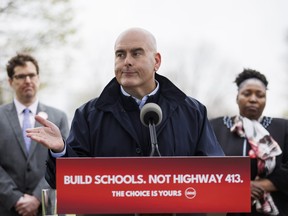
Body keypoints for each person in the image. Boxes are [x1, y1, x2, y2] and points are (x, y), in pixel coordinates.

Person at [27, 27, 224, 215]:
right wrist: (60, 151)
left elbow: (216, 177)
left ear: (156, 61)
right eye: (120, 54)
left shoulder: (192, 111)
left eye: (136, 53)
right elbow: (70, 183)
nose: (126, 61)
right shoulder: (88, 115)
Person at [210, 69, 288, 216]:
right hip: (226, 210)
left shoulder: (283, 128)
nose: (253, 99)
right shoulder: (214, 128)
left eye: (260, 95)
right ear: (237, 96)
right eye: (247, 94)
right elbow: (202, 169)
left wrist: (259, 185)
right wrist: (238, 187)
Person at [0, 53, 69, 216]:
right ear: (11, 81)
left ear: (38, 78)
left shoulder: (58, 117)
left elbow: (64, 162)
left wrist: (37, 198)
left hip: (48, 208)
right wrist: (15, 198)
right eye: (21, 76)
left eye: (32, 75)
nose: (28, 80)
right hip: (6, 208)